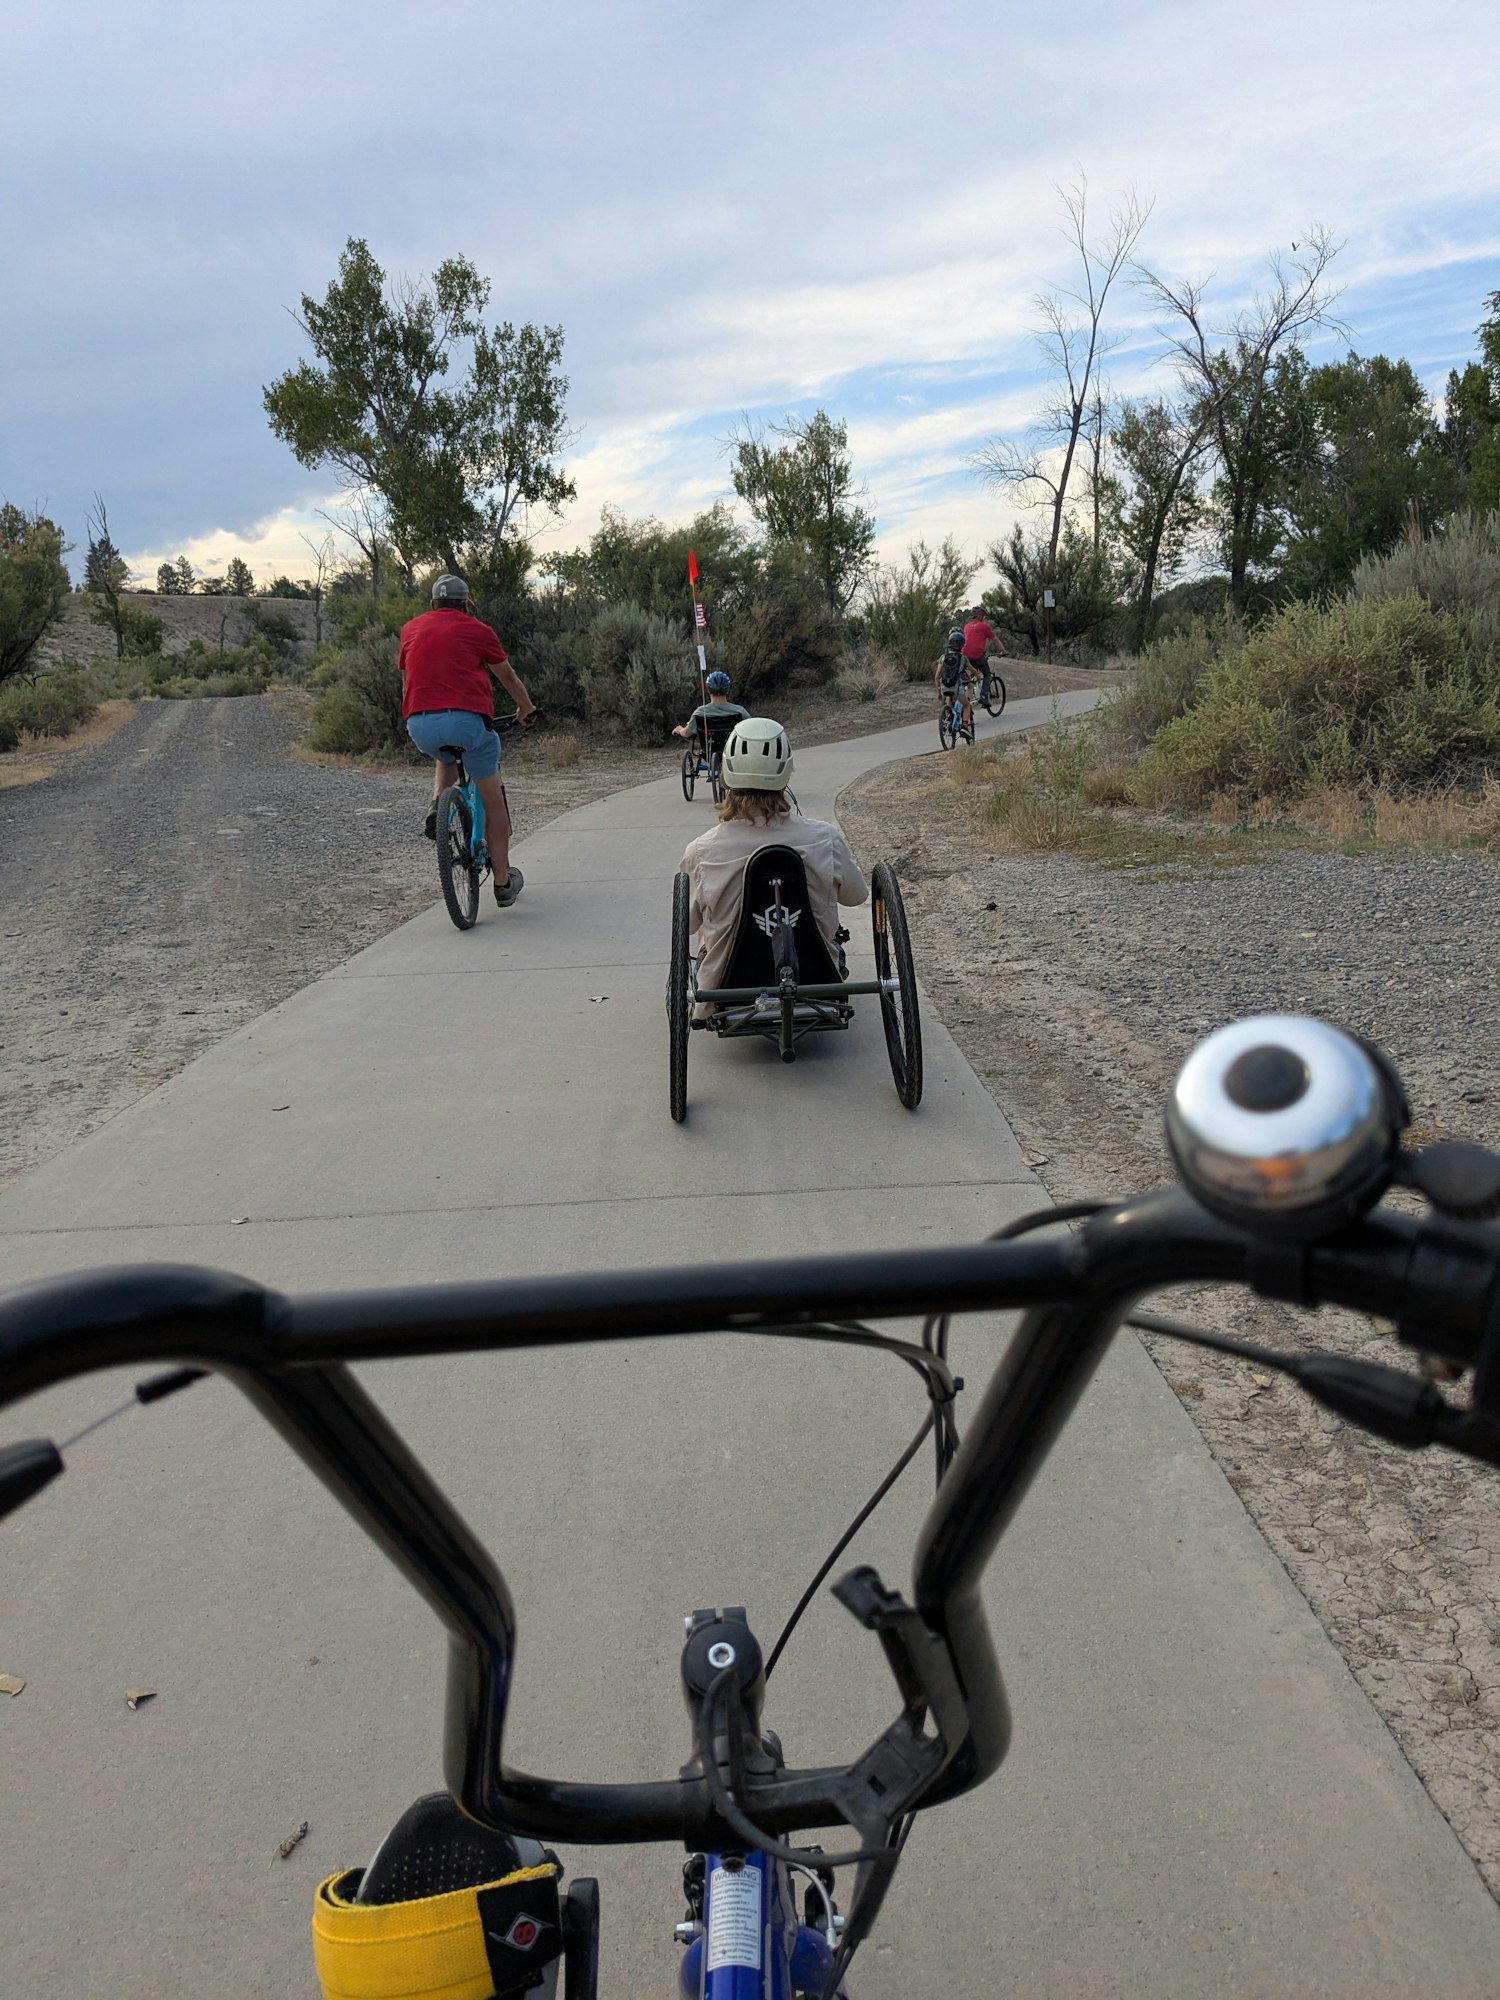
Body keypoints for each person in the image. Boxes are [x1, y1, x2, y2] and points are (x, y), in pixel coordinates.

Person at [679, 717, 867, 1000]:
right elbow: (857, 896)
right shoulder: (825, 838)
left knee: (704, 923)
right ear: (786, 773)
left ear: (726, 773)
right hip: (818, 978)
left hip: (729, 988)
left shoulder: (701, 850)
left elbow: (687, 925)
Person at [399, 574, 536, 907]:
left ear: (433, 603)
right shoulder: (478, 630)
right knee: (493, 802)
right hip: (467, 722)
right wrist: (526, 708)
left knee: (444, 755)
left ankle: (438, 807)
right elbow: (508, 676)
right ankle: (503, 883)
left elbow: (407, 681)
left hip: (420, 723)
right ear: (466, 603)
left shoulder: (410, 629)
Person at [671, 671, 748, 749]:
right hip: (734, 754)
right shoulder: (740, 711)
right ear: (727, 689)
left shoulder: (700, 712)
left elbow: (687, 733)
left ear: (708, 689)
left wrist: (680, 730)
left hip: (709, 753)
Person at [934, 625, 977, 734]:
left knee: (948, 696)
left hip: (944, 686)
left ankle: (948, 719)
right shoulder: (963, 658)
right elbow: (973, 671)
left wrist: (938, 692)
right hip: (957, 687)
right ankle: (965, 726)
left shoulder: (943, 657)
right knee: (967, 705)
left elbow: (936, 677)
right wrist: (978, 676)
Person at [962, 606, 1005, 683]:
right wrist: (1003, 651)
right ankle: (983, 695)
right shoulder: (984, 626)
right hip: (977, 655)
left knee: (972, 674)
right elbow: (995, 639)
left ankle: (971, 691)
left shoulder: (966, 626)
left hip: (965, 655)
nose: (983, 617)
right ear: (979, 615)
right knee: (987, 675)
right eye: (983, 615)